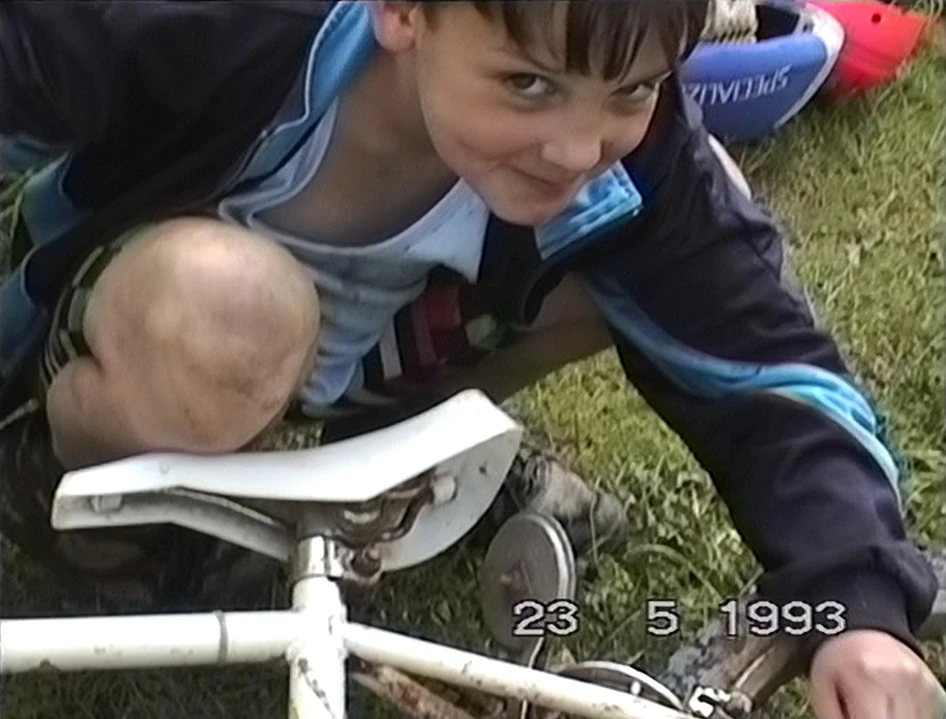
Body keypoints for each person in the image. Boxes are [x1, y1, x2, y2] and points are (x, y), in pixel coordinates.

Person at [0, 2, 940, 717]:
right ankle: (119, 526)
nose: (576, 145)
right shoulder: (231, 25)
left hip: (352, 375)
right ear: (404, 12)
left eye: (632, 89)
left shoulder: (622, 157)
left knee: (666, 221)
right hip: (128, 365)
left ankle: (395, 474)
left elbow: (770, 366)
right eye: (528, 83)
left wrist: (857, 600)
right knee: (235, 310)